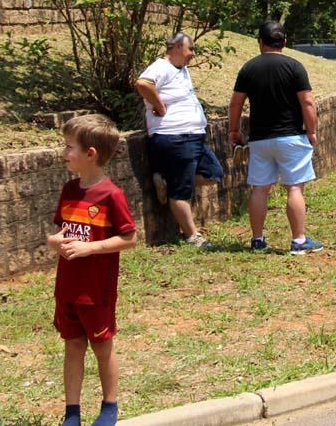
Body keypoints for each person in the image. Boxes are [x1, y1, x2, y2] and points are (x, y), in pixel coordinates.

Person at [48, 114, 137, 426]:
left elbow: (129, 238)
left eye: (69, 146)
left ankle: (109, 405)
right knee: (72, 345)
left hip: (95, 289)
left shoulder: (112, 194)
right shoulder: (69, 190)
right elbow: (62, 230)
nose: (64, 152)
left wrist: (90, 248)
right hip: (67, 286)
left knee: (101, 346)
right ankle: (72, 412)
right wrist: (55, 240)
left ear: (90, 154)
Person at [228, 21, 323, 254]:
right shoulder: (295, 67)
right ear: (285, 42)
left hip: (259, 139)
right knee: (294, 188)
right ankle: (299, 241)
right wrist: (311, 130)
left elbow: (236, 103)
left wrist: (234, 130)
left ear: (260, 41)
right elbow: (307, 102)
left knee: (259, 189)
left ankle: (257, 240)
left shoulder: (248, 68)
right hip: (290, 137)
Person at [135, 32, 224, 248]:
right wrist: (159, 105)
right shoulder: (161, 67)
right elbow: (143, 83)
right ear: (176, 48)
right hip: (175, 136)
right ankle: (192, 235)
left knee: (214, 173)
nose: (193, 54)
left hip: (193, 137)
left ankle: (167, 178)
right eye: (190, 49)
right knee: (181, 191)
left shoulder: (180, 69)